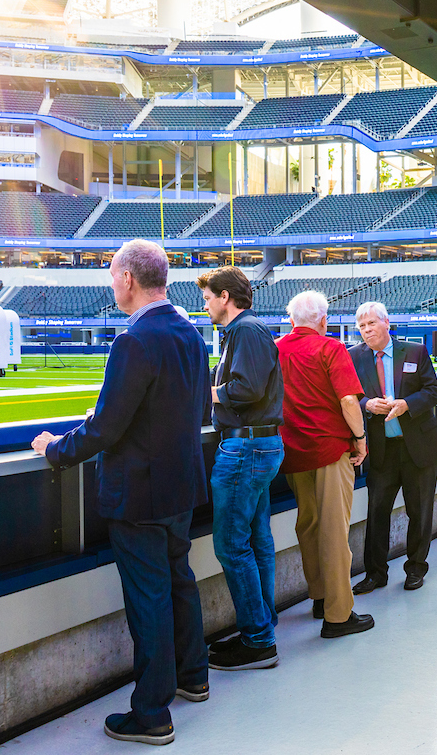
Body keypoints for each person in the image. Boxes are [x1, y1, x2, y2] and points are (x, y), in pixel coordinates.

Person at [33, 239, 210, 745]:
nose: (111, 284)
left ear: (129, 279)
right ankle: (193, 676)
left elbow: (107, 427)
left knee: (148, 598)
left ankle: (152, 712)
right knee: (179, 580)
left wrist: (56, 449)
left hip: (140, 492)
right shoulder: (189, 332)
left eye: (112, 275)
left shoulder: (134, 341)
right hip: (180, 485)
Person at [197, 266, 284, 671]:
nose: (206, 303)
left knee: (232, 546)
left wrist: (208, 391)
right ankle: (261, 625)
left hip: (246, 446)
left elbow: (246, 389)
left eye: (209, 296)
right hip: (257, 444)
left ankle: (259, 640)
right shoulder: (245, 330)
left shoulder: (247, 331)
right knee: (256, 540)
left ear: (226, 297)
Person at [276, 291, 374, 639]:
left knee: (309, 525)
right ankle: (337, 614)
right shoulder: (330, 347)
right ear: (323, 321)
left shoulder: (277, 348)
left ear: (291, 321)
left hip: (292, 452)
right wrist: (360, 438)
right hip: (331, 451)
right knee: (334, 530)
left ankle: (319, 596)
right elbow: (349, 400)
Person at [348, 302, 437, 593]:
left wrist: (406, 405)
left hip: (419, 447)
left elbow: (433, 391)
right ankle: (376, 573)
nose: (366, 331)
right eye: (362, 326)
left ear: (386, 323)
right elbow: (350, 396)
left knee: (419, 511)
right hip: (381, 449)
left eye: (371, 324)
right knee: (377, 513)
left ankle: (416, 568)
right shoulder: (353, 356)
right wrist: (367, 404)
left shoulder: (414, 351)